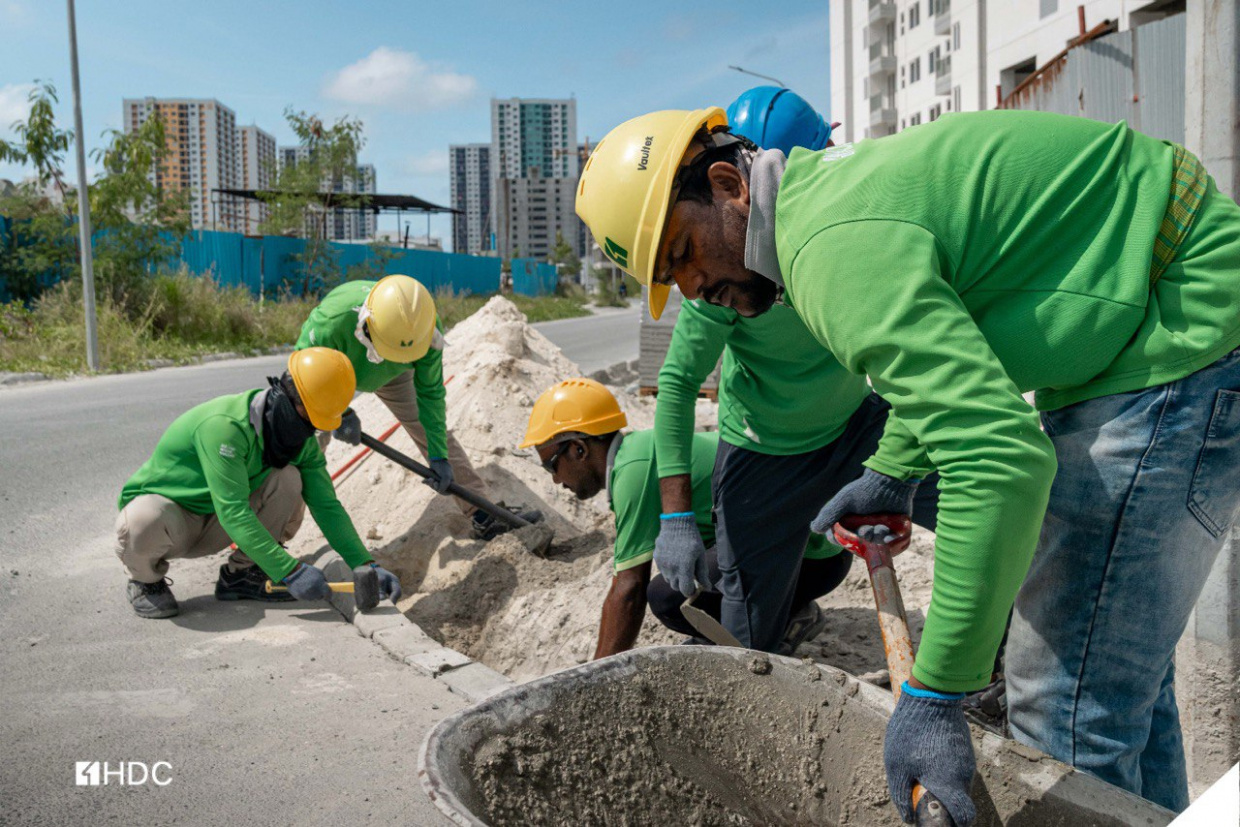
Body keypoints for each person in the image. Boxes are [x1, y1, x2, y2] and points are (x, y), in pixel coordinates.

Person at [576, 107, 1240, 820]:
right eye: (668, 275)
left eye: (682, 251)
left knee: (1061, 698)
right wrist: (892, 469)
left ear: (727, 185)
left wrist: (935, 693)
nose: (691, 285)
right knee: (1110, 682)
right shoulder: (825, 206)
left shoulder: (827, 248)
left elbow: (1000, 458)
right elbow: (963, 344)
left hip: (1175, 332)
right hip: (1154, 325)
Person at [653, 87, 938, 653]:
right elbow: (678, 383)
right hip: (766, 454)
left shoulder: (845, 235)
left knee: (976, 503)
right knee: (749, 643)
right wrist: (677, 517)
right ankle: (774, 621)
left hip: (855, 422)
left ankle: (1004, 659)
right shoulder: (726, 272)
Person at [519, 378, 854, 658]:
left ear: (578, 449)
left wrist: (594, 679)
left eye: (551, 465)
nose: (555, 480)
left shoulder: (633, 472)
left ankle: (785, 619)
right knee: (684, 572)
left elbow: (629, 589)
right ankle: (776, 613)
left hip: (811, 561)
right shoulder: (637, 451)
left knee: (667, 596)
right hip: (806, 553)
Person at [115, 348, 401, 619]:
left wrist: (367, 565)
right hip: (173, 522)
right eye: (307, 417)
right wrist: (289, 571)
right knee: (143, 519)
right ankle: (145, 581)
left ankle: (243, 574)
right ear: (286, 395)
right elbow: (233, 511)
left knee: (288, 478)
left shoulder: (301, 443)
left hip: (217, 522)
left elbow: (326, 505)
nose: (307, 429)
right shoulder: (225, 427)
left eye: (316, 423)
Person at [296, 274, 540, 540]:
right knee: (305, 446)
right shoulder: (333, 322)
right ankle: (274, 538)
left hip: (393, 373)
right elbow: (303, 373)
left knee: (430, 430)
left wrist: (439, 456)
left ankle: (483, 514)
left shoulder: (424, 329)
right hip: (329, 370)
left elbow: (430, 395)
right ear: (367, 327)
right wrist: (339, 413)